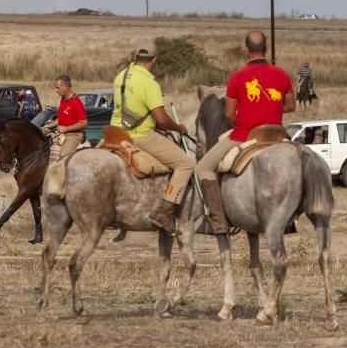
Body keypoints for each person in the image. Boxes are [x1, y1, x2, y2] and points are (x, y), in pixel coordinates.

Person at [195, 31, 294, 234]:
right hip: (277, 135)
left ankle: (218, 219)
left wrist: (248, 111)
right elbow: (291, 106)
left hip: (244, 134)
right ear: (266, 48)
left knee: (203, 167)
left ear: (245, 51)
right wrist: (270, 106)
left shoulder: (237, 77)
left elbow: (230, 115)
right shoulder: (282, 74)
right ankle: (290, 218)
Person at [111, 46, 194, 233]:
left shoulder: (121, 76)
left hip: (115, 133)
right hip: (139, 135)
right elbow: (163, 120)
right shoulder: (150, 83)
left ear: (136, 57)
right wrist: (179, 128)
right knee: (185, 164)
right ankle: (165, 211)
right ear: (154, 59)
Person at [44, 75, 88, 158]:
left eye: (58, 88)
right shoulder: (63, 99)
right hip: (62, 132)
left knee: (63, 157)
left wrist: (66, 128)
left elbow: (84, 123)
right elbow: (61, 119)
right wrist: (48, 125)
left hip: (74, 135)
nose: (56, 90)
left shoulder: (76, 102)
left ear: (65, 87)